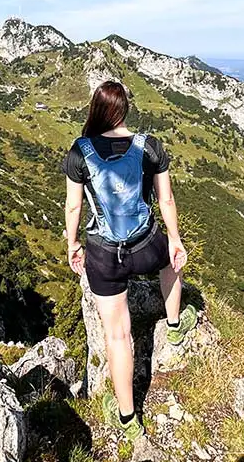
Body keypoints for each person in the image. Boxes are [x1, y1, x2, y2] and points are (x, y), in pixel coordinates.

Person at [62, 80, 197, 441]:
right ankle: (173, 324)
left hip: (104, 255)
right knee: (171, 262)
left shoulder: (80, 151)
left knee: (118, 336)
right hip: (144, 245)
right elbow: (166, 201)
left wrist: (74, 244)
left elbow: (74, 206)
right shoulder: (149, 147)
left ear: (97, 110)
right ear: (124, 110)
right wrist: (174, 239)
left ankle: (127, 419)